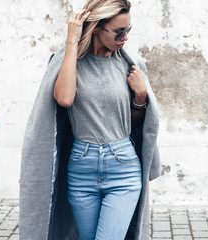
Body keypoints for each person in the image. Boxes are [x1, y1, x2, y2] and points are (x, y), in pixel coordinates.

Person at [19, 0, 161, 239]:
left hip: (122, 168)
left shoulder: (129, 65)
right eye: (119, 32)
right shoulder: (69, 63)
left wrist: (141, 95)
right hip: (81, 170)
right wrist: (72, 41)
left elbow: (131, 125)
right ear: (96, 27)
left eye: (128, 30)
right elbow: (64, 99)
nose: (125, 38)